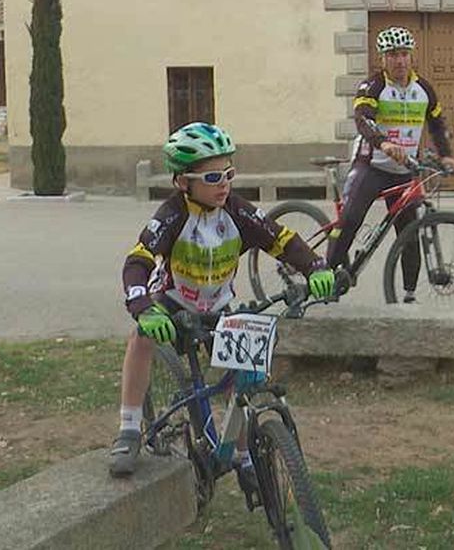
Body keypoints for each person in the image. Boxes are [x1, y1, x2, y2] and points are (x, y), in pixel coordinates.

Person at [109, 122, 335, 478]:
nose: (224, 184)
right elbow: (138, 260)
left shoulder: (237, 211)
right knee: (141, 338)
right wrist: (143, 307)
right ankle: (129, 429)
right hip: (171, 302)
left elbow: (281, 239)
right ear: (183, 182)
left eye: (229, 174)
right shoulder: (173, 214)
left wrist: (315, 267)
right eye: (213, 178)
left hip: (216, 307)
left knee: (240, 378)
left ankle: (243, 457)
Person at [325, 26, 454, 301]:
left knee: (409, 234)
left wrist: (446, 154)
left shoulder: (424, 90)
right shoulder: (373, 86)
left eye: (403, 54)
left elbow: (436, 123)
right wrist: (383, 142)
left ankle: (408, 295)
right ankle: (324, 278)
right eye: (392, 55)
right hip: (371, 166)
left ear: (411, 56)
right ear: (383, 58)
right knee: (349, 220)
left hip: (403, 171)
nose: (399, 60)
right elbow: (363, 119)